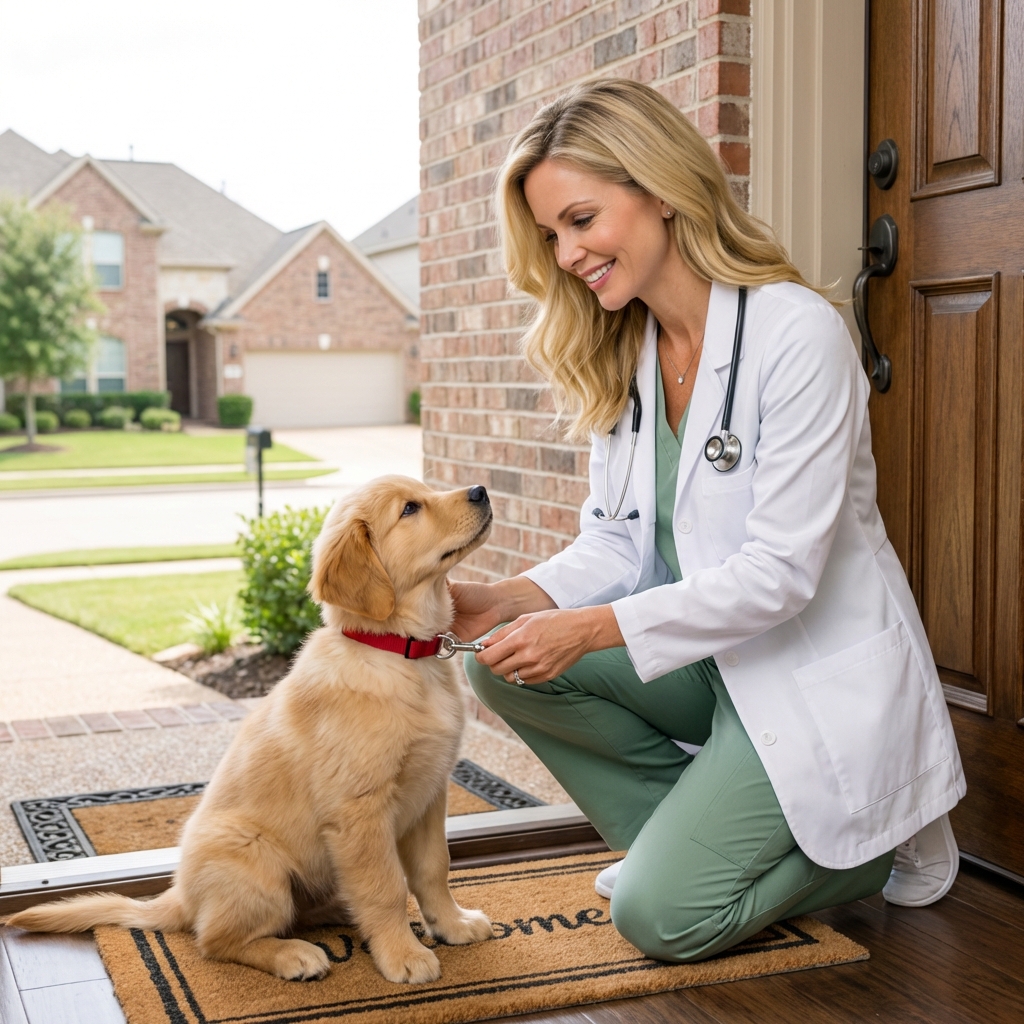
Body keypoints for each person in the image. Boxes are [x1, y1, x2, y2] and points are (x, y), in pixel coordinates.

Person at [451, 79, 965, 964]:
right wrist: (510, 595)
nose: (568, 254)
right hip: (712, 666)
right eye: (550, 236)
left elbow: (782, 574)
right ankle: (694, 840)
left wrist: (594, 626)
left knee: (660, 920)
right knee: (508, 670)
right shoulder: (626, 353)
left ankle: (870, 851)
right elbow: (617, 540)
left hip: (808, 669)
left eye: (581, 220)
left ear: (659, 190)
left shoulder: (794, 333)